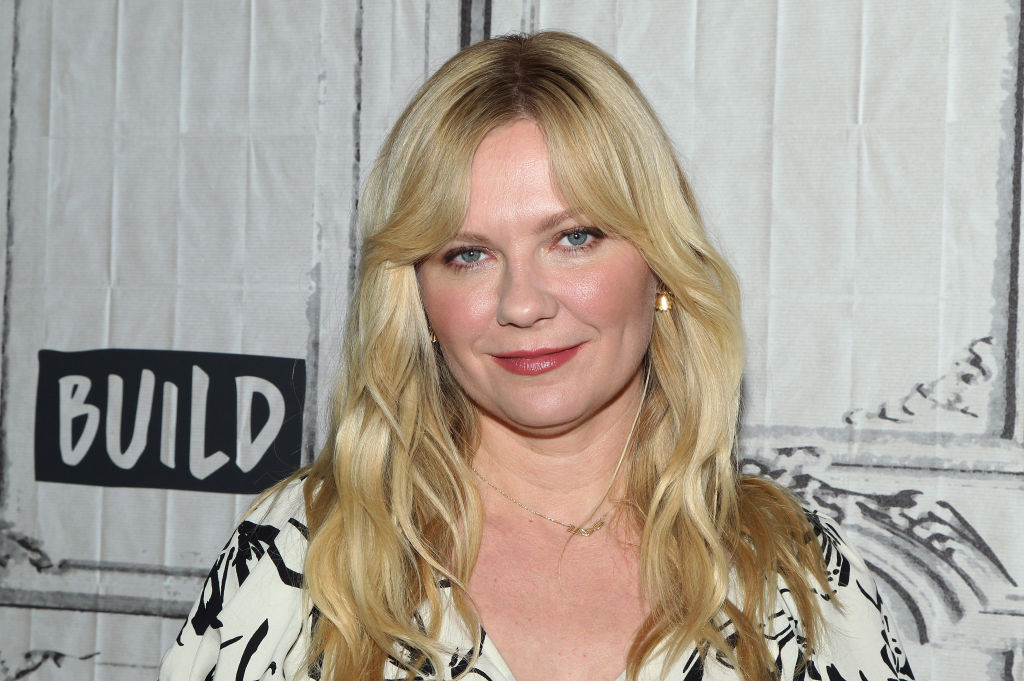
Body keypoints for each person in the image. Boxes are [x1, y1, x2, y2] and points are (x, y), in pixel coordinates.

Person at [160, 32, 914, 681]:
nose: (522, 303)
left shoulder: (793, 574)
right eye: (467, 254)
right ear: (417, 299)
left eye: (574, 238)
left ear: (658, 266)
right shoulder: (304, 556)